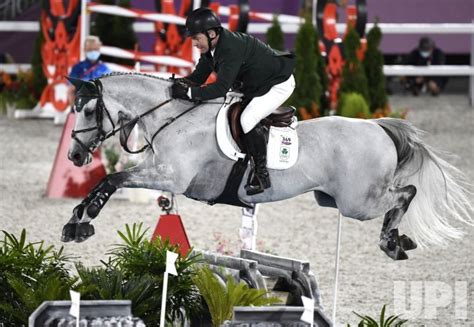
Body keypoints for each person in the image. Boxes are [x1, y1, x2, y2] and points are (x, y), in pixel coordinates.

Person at [171, 7, 296, 196]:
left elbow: (220, 89)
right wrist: (179, 83)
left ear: (211, 33)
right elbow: (198, 77)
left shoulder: (230, 48)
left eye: (197, 38)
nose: (195, 43)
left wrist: (189, 93)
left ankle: (262, 175)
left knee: (247, 119)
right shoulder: (211, 48)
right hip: (255, 84)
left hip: (278, 84)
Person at [68, 35, 111, 103]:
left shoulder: (105, 69)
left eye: (95, 49)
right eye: (90, 49)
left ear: (99, 49)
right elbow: (71, 90)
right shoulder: (77, 68)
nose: (93, 52)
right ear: (84, 50)